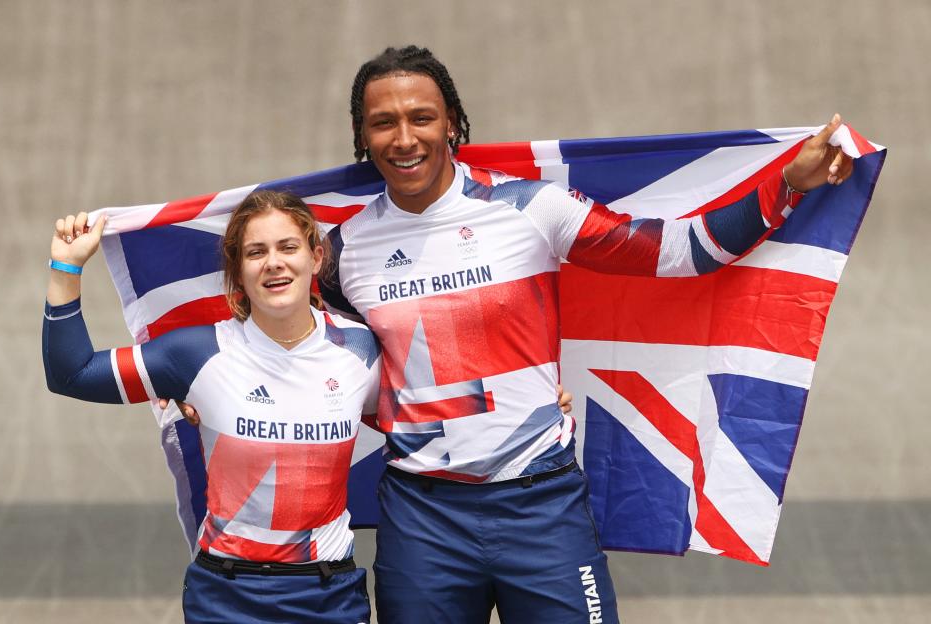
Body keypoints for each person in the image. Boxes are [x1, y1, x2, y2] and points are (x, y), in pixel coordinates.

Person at [308, 45, 855, 624]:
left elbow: (681, 251)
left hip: (541, 503)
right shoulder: (342, 253)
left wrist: (787, 186)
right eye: (383, 122)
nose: (404, 138)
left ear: (451, 121)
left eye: (421, 117)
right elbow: (336, 373)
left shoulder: (529, 207)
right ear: (360, 133)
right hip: (423, 518)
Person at [43, 191, 379, 624]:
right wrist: (65, 267)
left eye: (288, 247)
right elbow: (73, 373)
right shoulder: (196, 354)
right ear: (238, 271)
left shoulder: (361, 349)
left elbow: (418, 417)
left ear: (316, 257)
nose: (273, 262)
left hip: (328, 596)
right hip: (225, 596)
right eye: (256, 252)